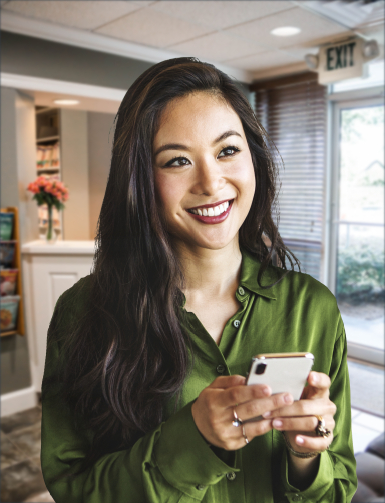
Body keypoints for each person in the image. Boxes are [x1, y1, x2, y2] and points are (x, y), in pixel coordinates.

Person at [41, 57, 357, 503]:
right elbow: (74, 488)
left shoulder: (314, 308)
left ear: (254, 159)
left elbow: (340, 488)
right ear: (140, 181)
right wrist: (190, 440)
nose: (211, 182)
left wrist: (306, 455)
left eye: (227, 150)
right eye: (177, 161)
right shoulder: (84, 310)